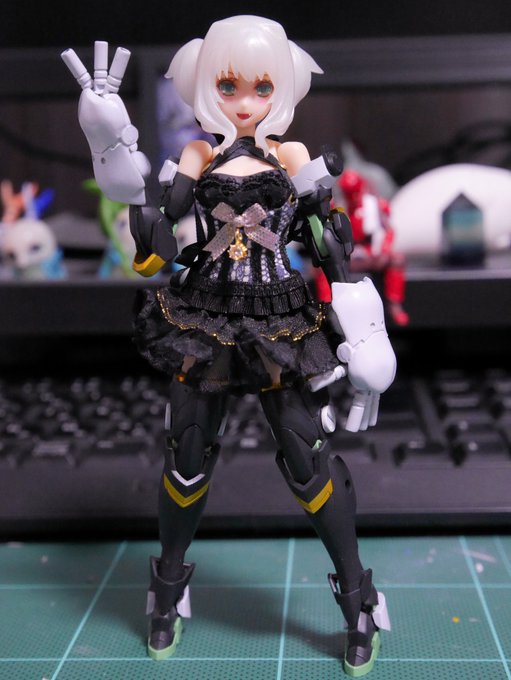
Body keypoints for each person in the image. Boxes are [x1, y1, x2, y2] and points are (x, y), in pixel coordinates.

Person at [62, 15, 396, 676]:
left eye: (261, 86)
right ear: (206, 85)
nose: (245, 101)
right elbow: (154, 251)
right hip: (205, 314)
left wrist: (365, 339)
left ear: (283, 87)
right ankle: (166, 588)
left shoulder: (292, 157)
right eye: (229, 86)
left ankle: (358, 597)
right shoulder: (196, 155)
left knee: (307, 458)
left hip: (278, 316)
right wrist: (112, 148)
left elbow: (334, 252)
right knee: (186, 457)